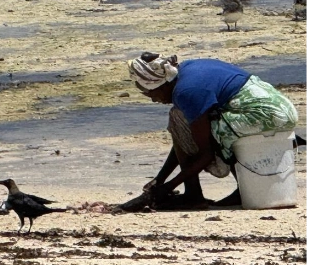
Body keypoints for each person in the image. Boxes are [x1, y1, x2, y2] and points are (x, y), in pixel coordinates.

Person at [128, 52, 299, 208]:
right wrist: (160, 179)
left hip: (265, 115)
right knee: (184, 120)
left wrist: (167, 187)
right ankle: (228, 190)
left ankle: (194, 196)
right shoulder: (186, 69)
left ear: (160, 85)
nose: (153, 99)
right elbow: (184, 137)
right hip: (282, 107)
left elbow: (206, 154)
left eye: (150, 93)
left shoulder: (186, 92)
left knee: (187, 121)